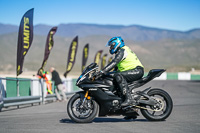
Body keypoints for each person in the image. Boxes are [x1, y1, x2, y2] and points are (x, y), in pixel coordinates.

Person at [96, 36, 144, 107]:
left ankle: (128, 99)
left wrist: (102, 71)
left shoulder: (122, 51)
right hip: (134, 71)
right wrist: (105, 74)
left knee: (118, 76)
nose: (110, 48)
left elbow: (114, 62)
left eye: (111, 46)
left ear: (116, 44)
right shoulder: (120, 52)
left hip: (137, 71)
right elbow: (115, 69)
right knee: (113, 76)